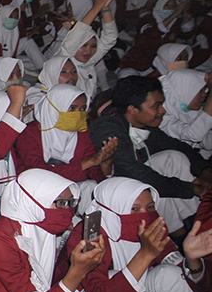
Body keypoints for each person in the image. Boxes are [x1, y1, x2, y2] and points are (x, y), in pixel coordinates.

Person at [57, 177, 212, 292]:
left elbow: (196, 287)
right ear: (114, 208)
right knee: (114, 281)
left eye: (150, 207)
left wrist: (191, 258)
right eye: (134, 208)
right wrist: (146, 254)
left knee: (170, 274)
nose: (145, 215)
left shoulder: (153, 224)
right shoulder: (88, 235)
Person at [90, 76, 212, 238]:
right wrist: (192, 188)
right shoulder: (108, 128)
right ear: (133, 109)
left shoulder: (144, 126)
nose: (163, 110)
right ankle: (180, 235)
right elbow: (134, 173)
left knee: (173, 158)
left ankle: (197, 222)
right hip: (113, 194)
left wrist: (206, 172)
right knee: (155, 182)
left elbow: (181, 147)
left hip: (138, 184)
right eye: (157, 105)